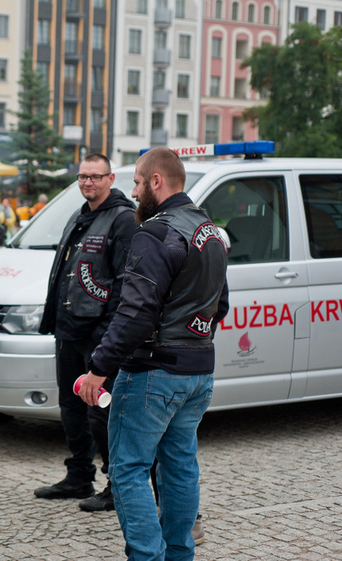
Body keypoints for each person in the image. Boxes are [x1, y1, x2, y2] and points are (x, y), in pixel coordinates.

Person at [79, 147, 229, 561]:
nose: (134, 191)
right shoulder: (211, 231)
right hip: (198, 370)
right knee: (179, 466)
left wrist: (98, 368)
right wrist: (192, 338)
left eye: (138, 183)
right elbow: (221, 304)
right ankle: (180, 554)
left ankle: (147, 556)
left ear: (156, 182)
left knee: (127, 469)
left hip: (153, 369)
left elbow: (136, 312)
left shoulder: (155, 232)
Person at [35, 153, 136, 512]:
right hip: (68, 330)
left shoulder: (124, 219)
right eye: (82, 177)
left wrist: (109, 335)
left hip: (98, 336)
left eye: (95, 177)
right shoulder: (80, 215)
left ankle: (116, 486)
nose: (87, 183)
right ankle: (79, 476)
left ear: (111, 178)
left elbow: (125, 284)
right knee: (70, 406)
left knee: (102, 413)